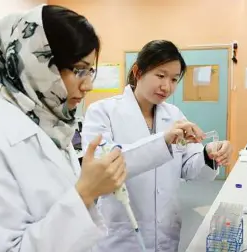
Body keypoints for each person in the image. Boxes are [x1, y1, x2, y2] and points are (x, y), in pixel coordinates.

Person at [0, 5, 127, 252]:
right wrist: (84, 192)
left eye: (91, 71)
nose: (88, 86)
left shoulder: (51, 124)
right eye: (79, 70)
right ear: (40, 66)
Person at [81, 40, 233, 252]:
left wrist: (208, 154)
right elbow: (105, 168)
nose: (166, 86)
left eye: (173, 79)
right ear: (138, 71)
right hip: (121, 235)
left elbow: (189, 167)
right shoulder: (103, 112)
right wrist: (163, 140)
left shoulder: (173, 115)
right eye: (160, 76)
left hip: (165, 233)